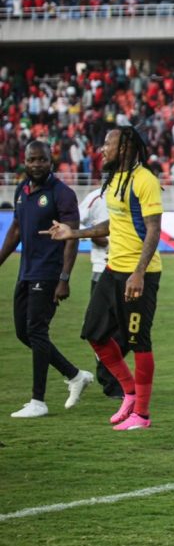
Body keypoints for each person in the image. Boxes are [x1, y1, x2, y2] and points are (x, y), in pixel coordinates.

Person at [46, 127, 162, 431]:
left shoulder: (145, 180)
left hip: (139, 273)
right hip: (113, 269)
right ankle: (130, 393)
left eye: (107, 144)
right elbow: (115, 223)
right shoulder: (114, 181)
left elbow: (154, 229)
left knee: (138, 341)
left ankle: (142, 415)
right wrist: (74, 233)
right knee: (94, 332)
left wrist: (139, 272)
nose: (102, 149)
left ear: (124, 148)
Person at [0, 141, 92, 417]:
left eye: (42, 160)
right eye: (32, 159)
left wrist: (64, 278)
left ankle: (38, 401)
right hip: (26, 271)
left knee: (37, 330)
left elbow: (72, 238)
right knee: (23, 332)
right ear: (25, 161)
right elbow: (16, 229)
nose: (37, 164)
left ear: (51, 162)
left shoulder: (62, 194)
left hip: (50, 272)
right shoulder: (22, 189)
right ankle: (75, 375)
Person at [78, 186, 124, 400]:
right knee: (101, 329)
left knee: (127, 332)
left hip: (128, 269)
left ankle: (111, 373)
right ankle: (111, 383)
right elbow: (76, 220)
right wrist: (94, 235)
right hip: (101, 268)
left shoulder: (135, 192)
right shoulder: (96, 196)